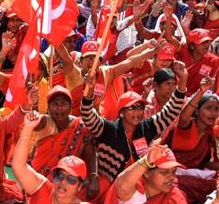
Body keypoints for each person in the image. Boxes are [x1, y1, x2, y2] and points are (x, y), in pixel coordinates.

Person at [80, 63, 188, 200]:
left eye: (140, 108)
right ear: (121, 112)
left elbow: (171, 111)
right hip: (109, 187)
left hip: (138, 187)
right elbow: (87, 114)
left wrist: (183, 80)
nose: (137, 112)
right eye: (132, 108)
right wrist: (89, 91)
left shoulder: (146, 127)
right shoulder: (107, 129)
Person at [30, 86, 98, 199]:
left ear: (71, 107)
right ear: (48, 108)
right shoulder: (46, 122)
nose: (59, 108)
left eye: (63, 104)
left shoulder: (80, 126)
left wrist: (94, 178)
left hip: (67, 181)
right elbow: (35, 123)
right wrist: (35, 105)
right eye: (55, 104)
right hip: (40, 179)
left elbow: (91, 154)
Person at [13, 111, 90, 204]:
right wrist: (28, 128)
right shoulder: (43, 188)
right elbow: (18, 166)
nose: (63, 182)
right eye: (59, 176)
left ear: (80, 186)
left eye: (71, 180)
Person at [103, 141, 187, 204]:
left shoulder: (174, 197)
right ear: (146, 172)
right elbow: (122, 187)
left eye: (173, 171)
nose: (172, 177)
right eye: (165, 172)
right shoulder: (135, 188)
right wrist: (147, 160)